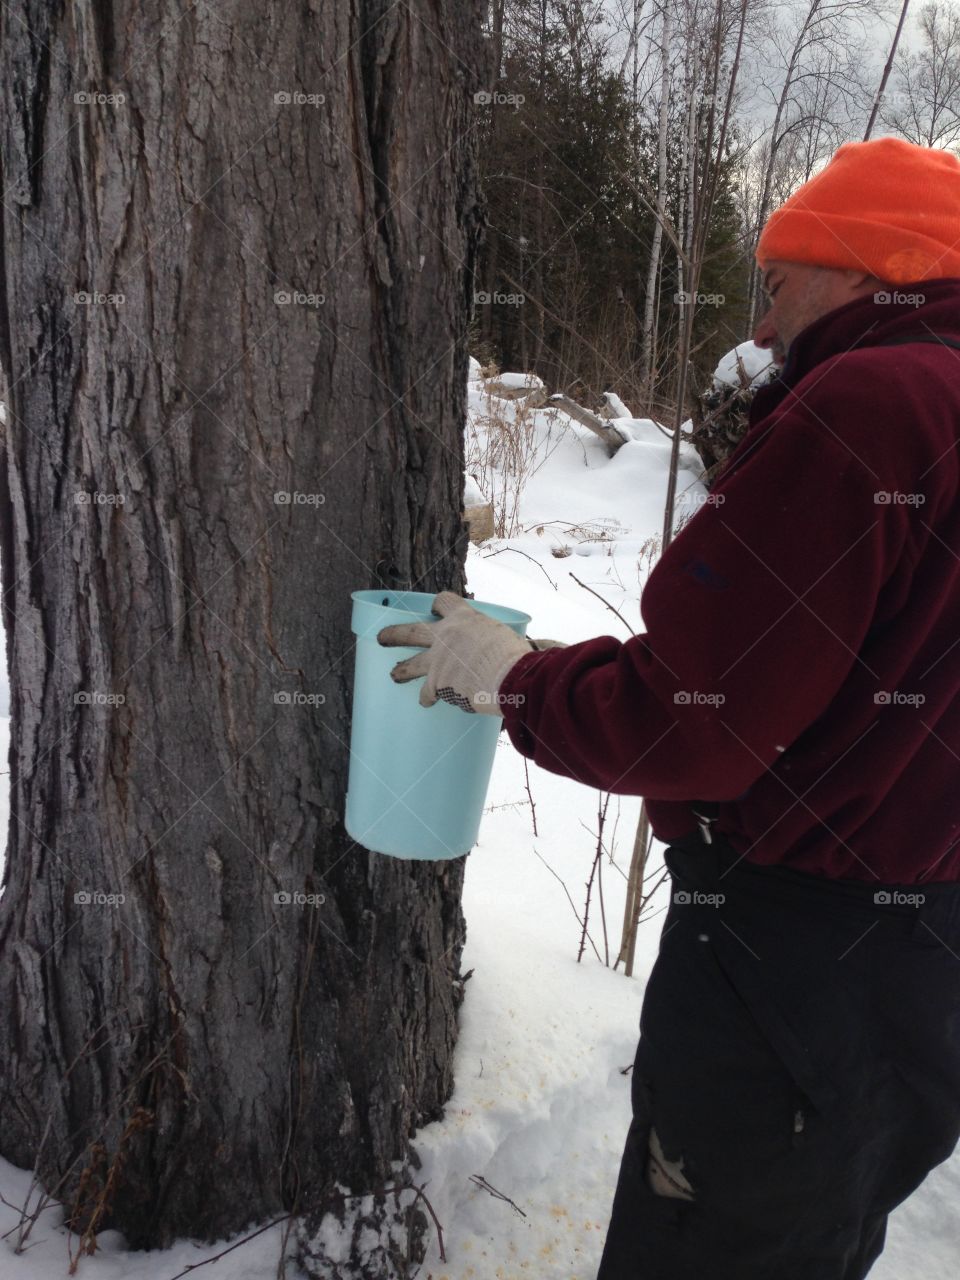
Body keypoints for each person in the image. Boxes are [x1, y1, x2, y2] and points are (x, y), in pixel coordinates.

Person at [377, 136, 960, 1279]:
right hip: (926, 957)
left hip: (785, 962)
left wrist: (514, 676)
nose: (758, 328)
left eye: (778, 283)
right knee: (816, 1233)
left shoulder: (869, 405)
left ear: (862, 269)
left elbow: (694, 718)